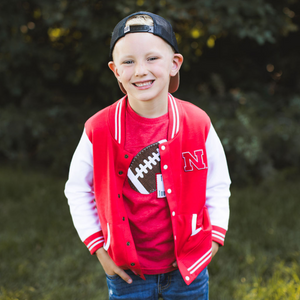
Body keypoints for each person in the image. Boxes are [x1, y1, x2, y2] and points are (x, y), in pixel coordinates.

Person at [65, 11, 231, 300]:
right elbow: (78, 189)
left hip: (188, 270)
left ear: (174, 64)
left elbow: (217, 183)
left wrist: (214, 238)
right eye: (128, 62)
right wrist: (100, 250)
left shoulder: (197, 122)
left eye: (152, 58)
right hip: (129, 272)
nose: (140, 70)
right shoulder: (99, 128)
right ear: (115, 70)